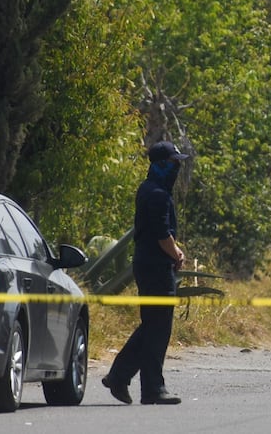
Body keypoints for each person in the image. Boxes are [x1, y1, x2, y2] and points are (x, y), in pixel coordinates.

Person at [102, 140, 190, 405]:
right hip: (155, 267)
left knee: (153, 326)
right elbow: (162, 235)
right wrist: (177, 254)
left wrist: (173, 250)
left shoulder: (149, 189)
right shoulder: (157, 195)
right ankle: (148, 387)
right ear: (161, 165)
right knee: (158, 328)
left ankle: (121, 376)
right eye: (173, 163)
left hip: (149, 264)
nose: (176, 168)